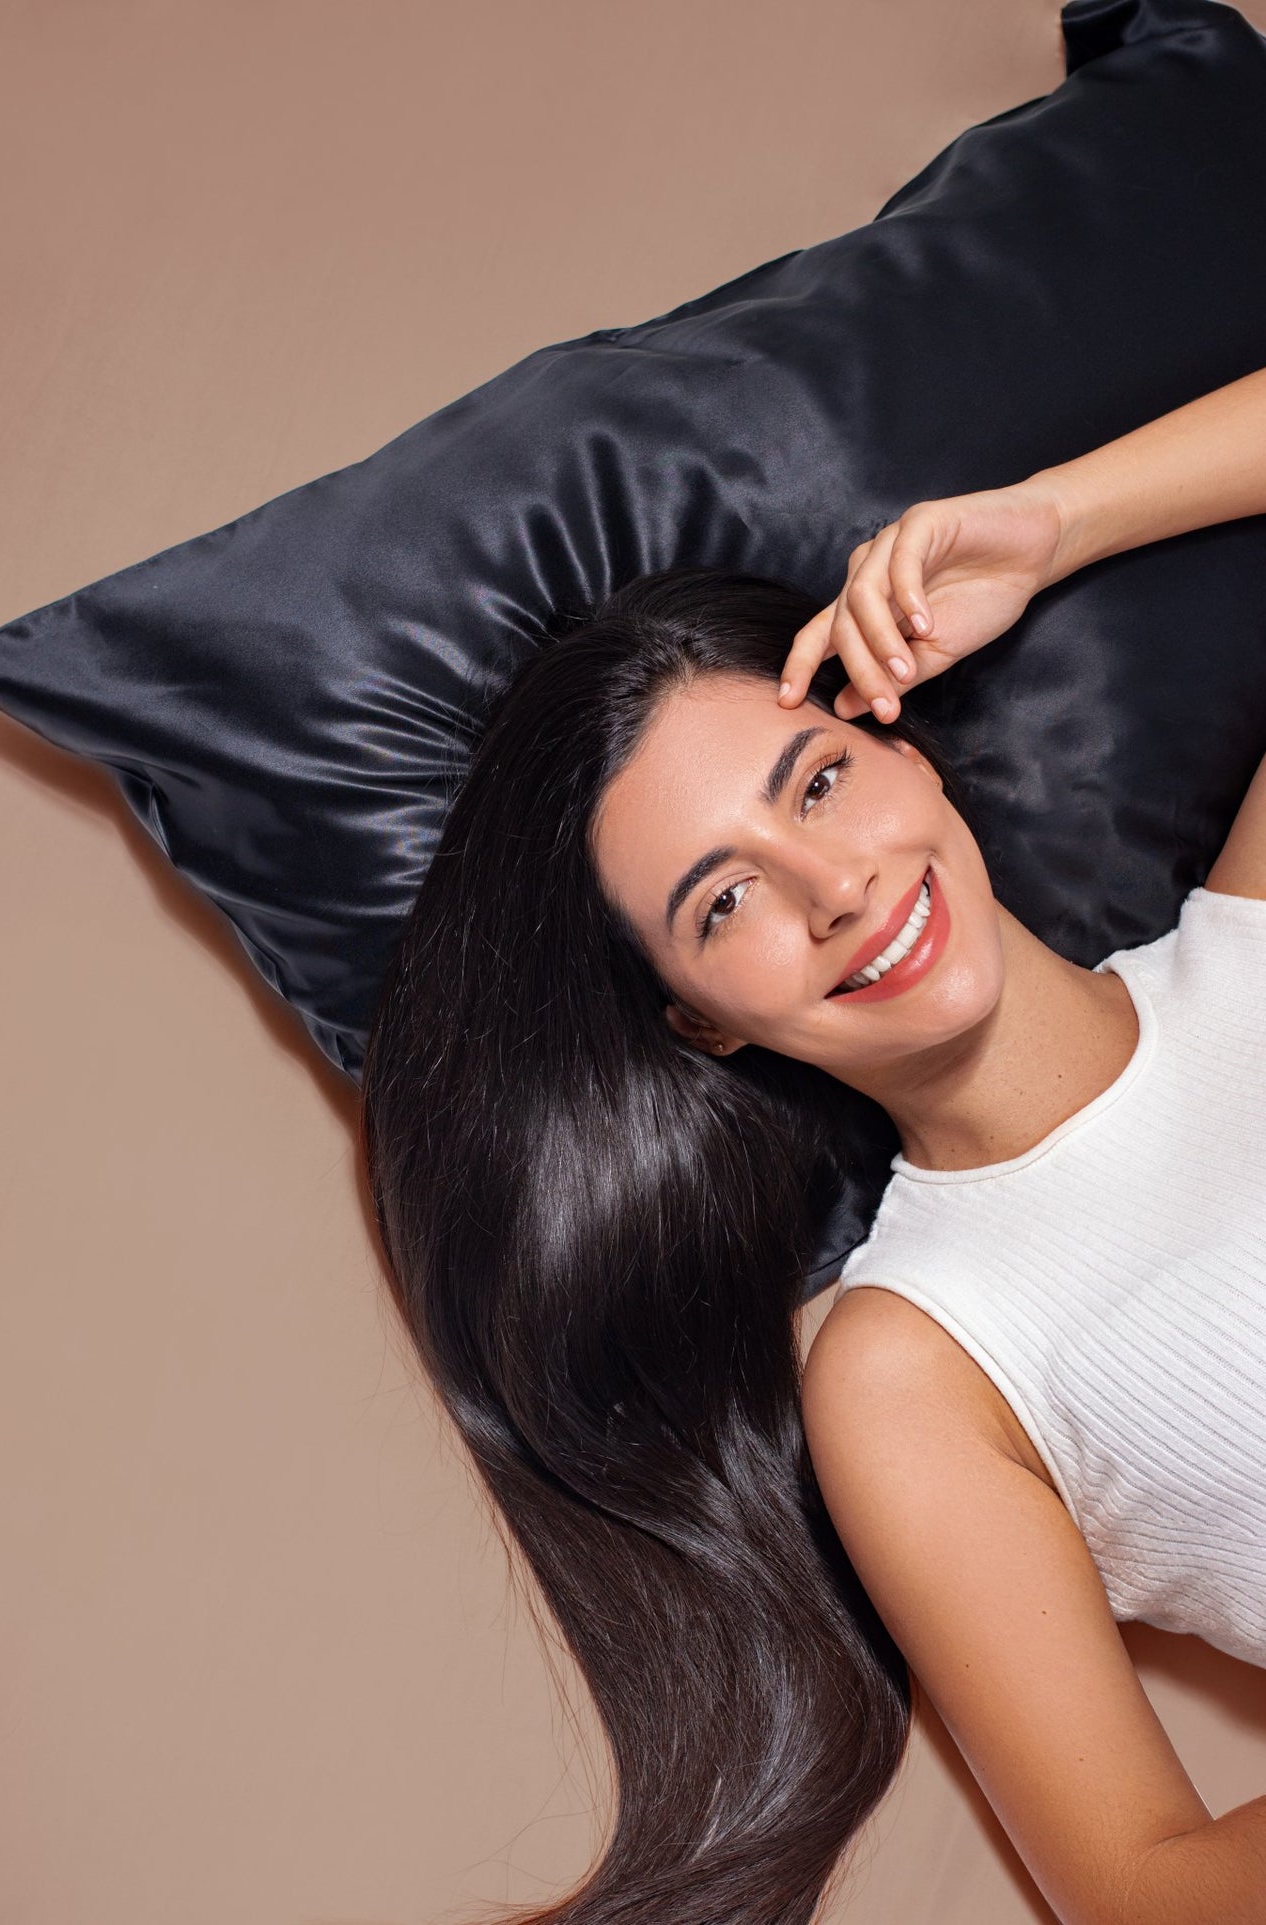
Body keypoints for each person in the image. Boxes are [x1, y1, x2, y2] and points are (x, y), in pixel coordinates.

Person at [361, 363, 1266, 1925]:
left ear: (908, 751)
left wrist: (1055, 523)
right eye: (726, 902)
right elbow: (1141, 1889)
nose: (833, 888)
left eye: (822, 782)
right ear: (700, 1022)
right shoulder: (916, 1366)